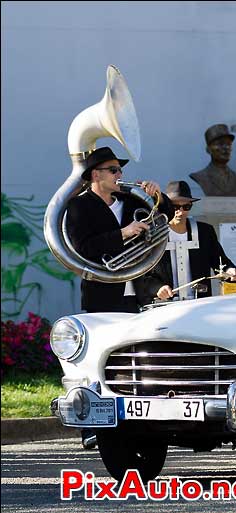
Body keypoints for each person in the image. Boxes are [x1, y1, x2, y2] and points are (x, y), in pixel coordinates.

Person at [64, 146, 170, 450]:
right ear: (96, 174)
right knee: (98, 358)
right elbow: (83, 248)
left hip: (135, 291)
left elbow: (167, 217)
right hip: (102, 291)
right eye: (113, 170)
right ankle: (91, 424)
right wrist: (124, 234)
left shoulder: (128, 199)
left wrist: (157, 197)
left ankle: (135, 421)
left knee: (134, 358)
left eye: (120, 170)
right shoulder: (79, 206)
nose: (120, 175)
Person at [135, 180, 236, 302]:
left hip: (199, 304)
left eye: (186, 207)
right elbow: (142, 275)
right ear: (167, 206)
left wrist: (230, 272)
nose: (180, 212)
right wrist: (157, 288)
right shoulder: (152, 233)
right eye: (175, 206)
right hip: (163, 306)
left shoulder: (205, 232)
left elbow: (220, 261)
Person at [188, 124, 236, 197]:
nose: (226, 147)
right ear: (208, 150)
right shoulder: (201, 177)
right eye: (220, 144)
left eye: (229, 144)